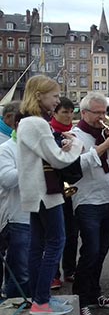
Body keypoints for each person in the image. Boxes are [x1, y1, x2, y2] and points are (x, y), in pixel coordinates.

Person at [17, 75, 83, 314]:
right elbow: (57, 159)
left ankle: (38, 298)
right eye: (54, 95)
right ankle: (42, 302)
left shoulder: (25, 122)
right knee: (56, 243)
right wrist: (75, 144)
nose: (57, 101)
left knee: (37, 247)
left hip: (35, 191)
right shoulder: (37, 123)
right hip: (46, 192)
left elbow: (46, 154)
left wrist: (59, 147)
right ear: (39, 96)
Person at [71, 92, 109, 315]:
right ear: (84, 113)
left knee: (101, 252)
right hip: (86, 200)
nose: (102, 117)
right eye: (97, 113)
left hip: (108, 198)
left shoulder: (105, 133)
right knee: (90, 252)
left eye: (104, 112)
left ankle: (95, 293)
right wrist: (103, 147)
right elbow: (75, 166)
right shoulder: (74, 136)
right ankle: (80, 299)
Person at [0, 102, 31, 299]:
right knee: (20, 273)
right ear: (17, 124)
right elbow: (8, 179)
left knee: (26, 270)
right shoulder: (6, 148)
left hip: (34, 213)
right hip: (15, 216)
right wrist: (32, 166)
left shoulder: (33, 147)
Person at [50, 97, 80, 289]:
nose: (69, 116)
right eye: (64, 112)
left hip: (70, 188)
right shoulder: (49, 132)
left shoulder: (73, 133)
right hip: (53, 188)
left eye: (71, 112)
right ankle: (53, 274)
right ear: (55, 113)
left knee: (71, 232)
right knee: (53, 234)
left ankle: (70, 269)